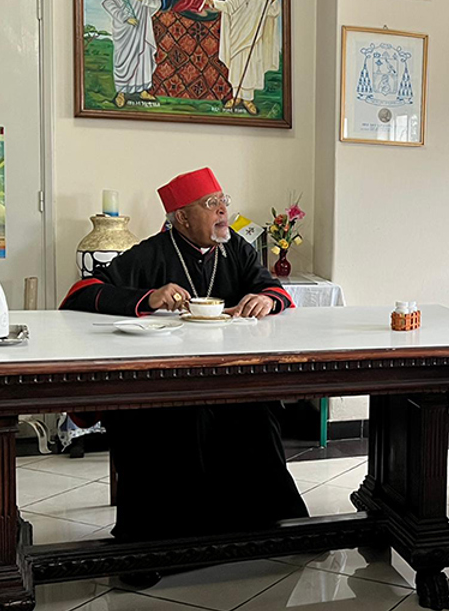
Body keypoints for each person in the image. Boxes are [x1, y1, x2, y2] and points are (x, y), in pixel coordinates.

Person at [60, 168, 307, 569]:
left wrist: (267, 300)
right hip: (160, 384)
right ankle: (148, 548)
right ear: (181, 217)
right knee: (157, 425)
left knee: (258, 414)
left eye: (224, 201)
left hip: (228, 378)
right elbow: (80, 295)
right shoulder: (151, 253)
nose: (224, 211)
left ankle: (265, 527)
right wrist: (148, 298)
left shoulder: (236, 250)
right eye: (212, 204)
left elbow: (273, 288)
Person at [202, 0, 281, 115]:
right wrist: (212, 2)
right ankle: (236, 97)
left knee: (250, 69)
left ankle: (248, 100)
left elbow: (273, 12)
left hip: (252, 40)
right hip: (237, 38)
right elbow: (228, 6)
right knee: (237, 68)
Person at [101, 0, 162, 109]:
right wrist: (124, 17)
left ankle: (143, 90)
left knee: (142, 58)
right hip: (125, 33)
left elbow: (156, 2)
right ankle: (121, 92)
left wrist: (143, 0)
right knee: (124, 59)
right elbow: (108, 3)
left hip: (141, 31)